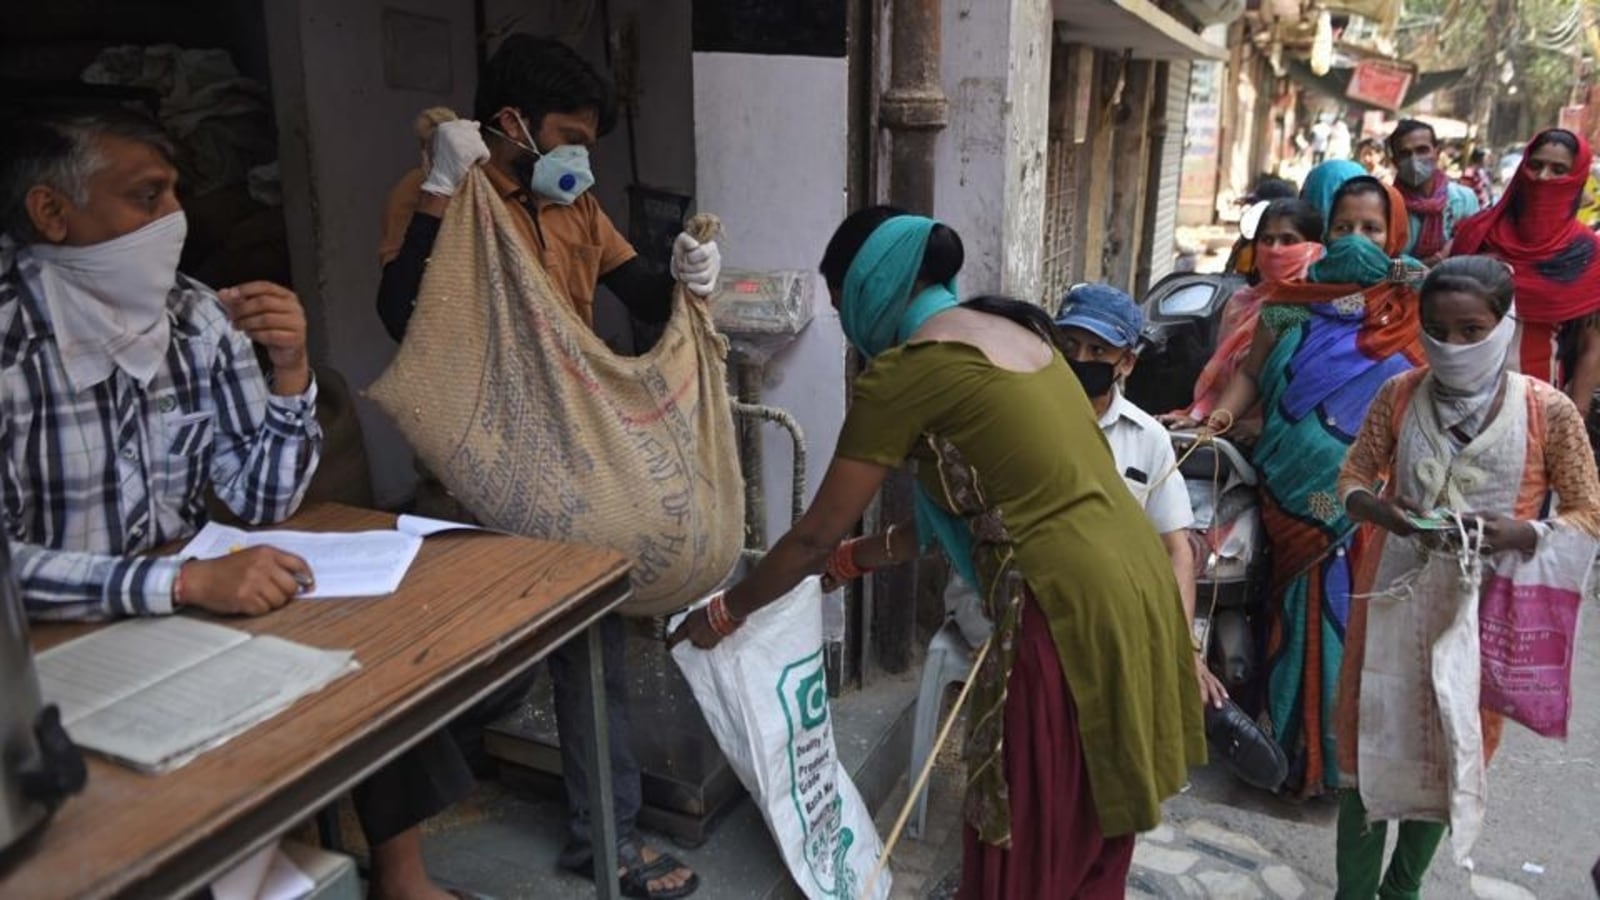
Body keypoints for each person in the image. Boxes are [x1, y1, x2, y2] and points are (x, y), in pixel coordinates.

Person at [0, 106, 481, 900]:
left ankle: (403, 882)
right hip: (50, 649)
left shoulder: (194, 320)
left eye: (175, 195)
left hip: (180, 610)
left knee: (377, 662)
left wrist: (289, 369)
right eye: (145, 198)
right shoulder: (14, 349)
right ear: (51, 213)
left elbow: (265, 501)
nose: (174, 220)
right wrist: (181, 585)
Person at [671, 207, 1205, 898]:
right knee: (1091, 816)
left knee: (1032, 820)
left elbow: (811, 535)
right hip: (1134, 581)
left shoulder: (909, 370)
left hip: (1062, 603)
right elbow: (981, 507)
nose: (845, 324)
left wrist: (724, 612)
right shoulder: (1019, 332)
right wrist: (856, 560)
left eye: (840, 306)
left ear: (867, 289)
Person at [374, 35, 713, 899]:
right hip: (479, 461)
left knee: (586, 643)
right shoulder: (435, 198)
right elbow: (399, 315)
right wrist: (444, 193)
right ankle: (421, 785)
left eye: (589, 141)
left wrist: (686, 283)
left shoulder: (576, 208)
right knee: (489, 649)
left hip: (566, 458)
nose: (579, 156)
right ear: (511, 121)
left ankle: (606, 837)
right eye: (567, 134)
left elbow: (635, 297)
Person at [1334, 257, 1600, 898]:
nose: (1452, 345)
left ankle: (1403, 886)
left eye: (1471, 329)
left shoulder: (1548, 412)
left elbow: (1587, 511)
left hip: (1487, 615)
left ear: (1506, 325)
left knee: (1454, 750)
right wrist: (1380, 510)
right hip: (1393, 596)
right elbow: (1351, 478)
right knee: (1370, 746)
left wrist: (1525, 533)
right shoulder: (1397, 395)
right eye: (1437, 329)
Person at [1185, 175, 1425, 795]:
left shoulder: (1410, 311)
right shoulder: (1290, 302)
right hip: (1286, 487)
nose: (1356, 240)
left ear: (1394, 235)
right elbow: (1252, 376)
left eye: (1372, 229)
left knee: (1342, 617)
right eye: (1343, 227)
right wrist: (1218, 417)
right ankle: (1285, 751)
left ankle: (1332, 760)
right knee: (1281, 612)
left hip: (1353, 504)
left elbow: (1425, 407)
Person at [1053, 284, 1227, 709]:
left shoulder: (1146, 437)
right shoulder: (1031, 419)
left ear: (1126, 363)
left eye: (1098, 352)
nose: (1080, 361)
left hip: (1110, 612)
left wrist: (1186, 648)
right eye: (1070, 346)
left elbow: (1176, 550)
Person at [1451, 129, 1600, 421]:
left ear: (1577, 179)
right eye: (1536, 165)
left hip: (1537, 408)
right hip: (1459, 398)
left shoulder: (1588, 254)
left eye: (1558, 170)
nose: (1543, 177)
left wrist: (1574, 422)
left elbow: (1591, 348)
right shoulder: (1478, 234)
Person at [1165, 197, 1325, 435]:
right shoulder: (1242, 303)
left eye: (1288, 240)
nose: (1275, 250)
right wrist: (1210, 423)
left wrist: (1262, 426)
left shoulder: (1325, 306)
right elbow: (1246, 375)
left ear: (1313, 247)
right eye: (1267, 240)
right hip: (1231, 425)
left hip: (1294, 434)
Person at [1388, 119, 1480, 266]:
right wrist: (1438, 260)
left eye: (1422, 150)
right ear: (1394, 162)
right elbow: (1386, 274)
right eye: (1405, 154)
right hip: (1403, 289)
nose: (1414, 160)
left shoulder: (1464, 200)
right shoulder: (1386, 206)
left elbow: (1475, 258)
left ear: (1437, 153)